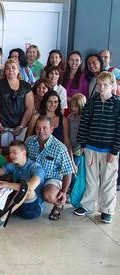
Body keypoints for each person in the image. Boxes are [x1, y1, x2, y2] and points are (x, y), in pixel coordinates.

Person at [74, 71, 120, 224]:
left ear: (112, 85)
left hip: (109, 151)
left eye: (105, 84)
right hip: (91, 148)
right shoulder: (91, 103)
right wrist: (83, 145)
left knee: (108, 181)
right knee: (91, 179)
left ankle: (106, 210)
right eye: (99, 84)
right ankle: (87, 205)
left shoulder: (118, 105)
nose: (102, 87)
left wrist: (115, 150)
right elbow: (84, 125)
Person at [25, 116, 74, 221]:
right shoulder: (29, 142)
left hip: (51, 179)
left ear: (51, 129)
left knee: (50, 195)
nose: (41, 131)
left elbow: (68, 172)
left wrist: (64, 191)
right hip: (33, 177)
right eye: (38, 127)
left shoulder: (60, 148)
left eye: (44, 128)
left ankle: (58, 205)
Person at [0, 58, 34, 142]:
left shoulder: (26, 86)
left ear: (18, 70)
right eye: (8, 68)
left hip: (19, 127)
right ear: (4, 71)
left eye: (13, 67)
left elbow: (30, 108)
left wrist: (21, 126)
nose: (10, 70)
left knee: (16, 151)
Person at [26, 91, 73, 155]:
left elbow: (67, 142)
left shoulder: (64, 120)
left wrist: (72, 162)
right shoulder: (35, 117)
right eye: (49, 101)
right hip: (36, 155)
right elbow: (27, 138)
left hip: (56, 157)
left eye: (55, 102)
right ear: (45, 102)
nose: (53, 104)